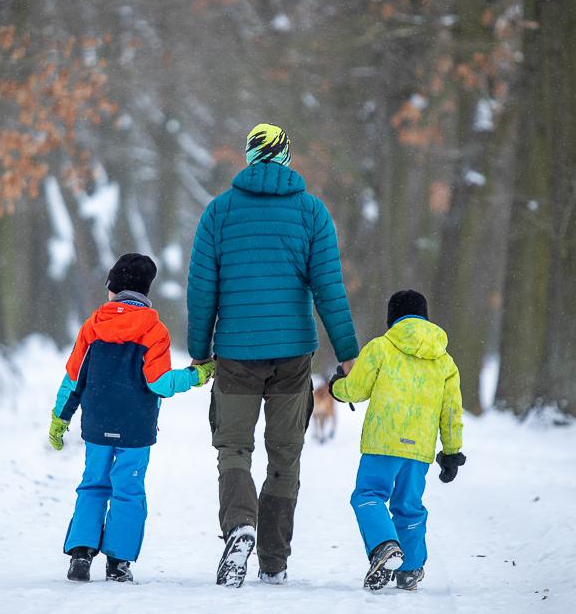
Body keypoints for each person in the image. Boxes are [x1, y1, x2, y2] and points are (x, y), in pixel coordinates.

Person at [187, 122, 359, 587]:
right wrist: (348, 355)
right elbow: (329, 290)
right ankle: (274, 559)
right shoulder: (312, 213)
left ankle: (240, 525)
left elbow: (203, 290)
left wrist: (199, 351)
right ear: (286, 156)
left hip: (236, 353)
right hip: (292, 356)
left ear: (248, 156)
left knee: (233, 448)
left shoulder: (219, 213)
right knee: (286, 453)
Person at [48, 253, 216, 583]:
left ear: (113, 289)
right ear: (145, 291)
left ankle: (81, 555)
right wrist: (195, 376)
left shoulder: (93, 325)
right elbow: (159, 383)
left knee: (93, 484)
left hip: (97, 425)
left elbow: (73, 377)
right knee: (128, 489)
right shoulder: (154, 330)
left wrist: (59, 418)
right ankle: (119, 562)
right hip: (136, 428)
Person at [329, 289, 465, 592]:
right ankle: (411, 568)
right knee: (409, 505)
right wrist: (452, 452)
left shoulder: (381, 348)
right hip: (419, 449)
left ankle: (384, 546)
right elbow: (452, 410)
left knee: (368, 495)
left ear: (392, 317)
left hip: (383, 442)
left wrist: (338, 386)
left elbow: (357, 389)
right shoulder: (445, 362)